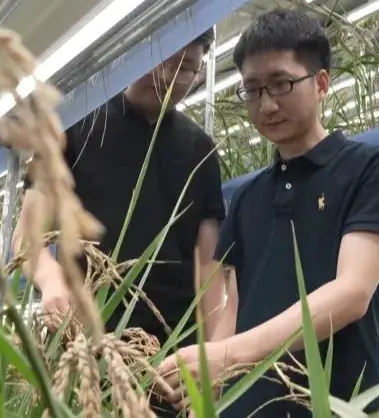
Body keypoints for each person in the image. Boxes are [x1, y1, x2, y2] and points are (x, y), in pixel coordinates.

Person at [156, 9, 379, 416]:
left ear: (322, 83)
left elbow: (352, 294)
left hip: (337, 405)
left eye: (282, 83)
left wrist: (230, 355)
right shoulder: (248, 196)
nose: (267, 104)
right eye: (253, 89)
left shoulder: (371, 169)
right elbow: (233, 306)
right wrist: (212, 378)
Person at [13, 29, 227, 415]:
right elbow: (26, 237)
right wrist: (51, 281)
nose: (167, 76)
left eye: (185, 68)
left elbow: (207, 268)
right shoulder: (75, 125)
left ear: (199, 74)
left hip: (172, 364)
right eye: (160, 58)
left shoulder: (201, 150)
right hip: (85, 348)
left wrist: (211, 360)